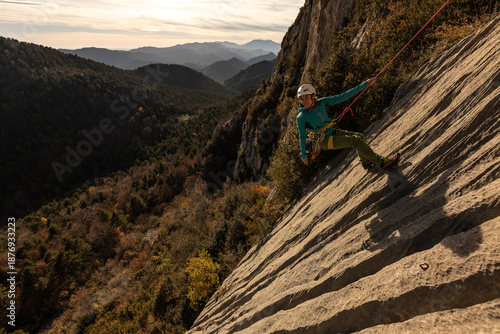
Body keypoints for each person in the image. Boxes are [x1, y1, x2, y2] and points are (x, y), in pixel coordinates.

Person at [296, 79, 399, 169]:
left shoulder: (321, 102)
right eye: (302, 99)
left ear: (313, 96)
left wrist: (365, 84)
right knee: (356, 140)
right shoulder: (301, 117)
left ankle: (365, 161)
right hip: (324, 141)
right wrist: (303, 155)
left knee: (360, 137)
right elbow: (302, 136)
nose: (304, 101)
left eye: (306, 97)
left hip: (333, 132)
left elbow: (342, 96)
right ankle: (381, 163)